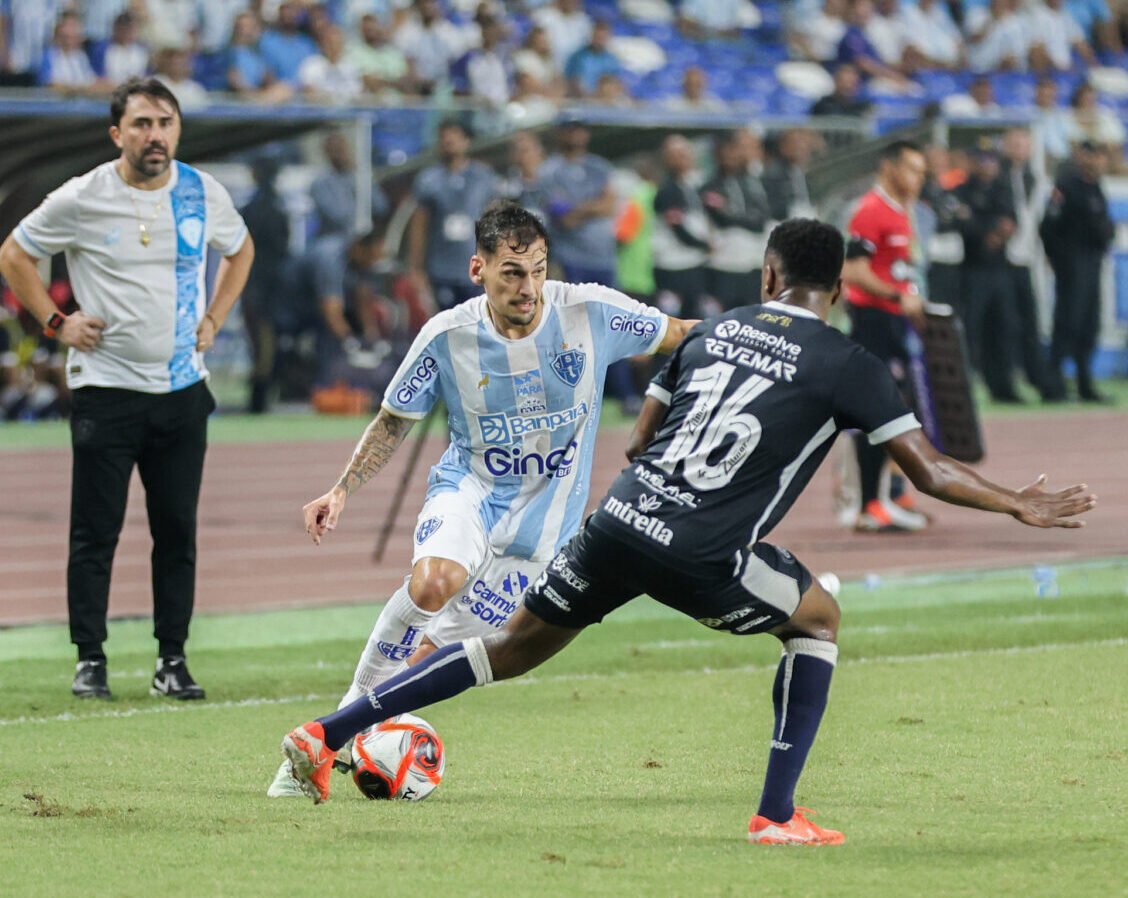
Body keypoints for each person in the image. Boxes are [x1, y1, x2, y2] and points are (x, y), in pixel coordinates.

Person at [280, 219, 1095, 846]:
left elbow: (640, 441)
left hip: (616, 521)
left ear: (767, 273)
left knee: (507, 649)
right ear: (836, 290)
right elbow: (928, 472)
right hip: (702, 551)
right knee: (818, 619)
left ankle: (328, 731)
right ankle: (776, 816)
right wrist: (1014, 503)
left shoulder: (716, 328)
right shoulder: (849, 364)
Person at [267, 201, 695, 797]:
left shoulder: (591, 312)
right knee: (433, 582)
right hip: (470, 492)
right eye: (512, 273)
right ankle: (325, 737)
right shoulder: (447, 335)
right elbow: (394, 420)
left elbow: (681, 335)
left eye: (538, 270)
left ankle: (334, 741)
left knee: (429, 665)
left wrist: (760, 335)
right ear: (479, 269)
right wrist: (341, 490)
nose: (529, 287)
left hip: (543, 538)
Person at [0, 77, 254, 700]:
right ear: (118, 134)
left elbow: (242, 249)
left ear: (177, 130)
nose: (155, 135)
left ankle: (173, 660)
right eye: (141, 124)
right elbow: (13, 254)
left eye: (165, 122)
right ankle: (90, 658)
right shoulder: (84, 196)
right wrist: (58, 323)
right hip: (106, 390)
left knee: (177, 531)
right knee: (96, 531)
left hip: (181, 391)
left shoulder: (201, 191)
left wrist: (216, 318)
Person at [840, 139, 930, 533]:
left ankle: (891, 493)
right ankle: (865, 504)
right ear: (890, 167)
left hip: (894, 321)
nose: (919, 178)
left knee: (902, 409)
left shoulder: (903, 212)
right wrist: (898, 296)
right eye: (912, 169)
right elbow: (853, 272)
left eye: (922, 171)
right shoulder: (869, 211)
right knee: (874, 411)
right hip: (872, 320)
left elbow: (898, 268)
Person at [1039, 139, 1115, 401]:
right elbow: (1048, 226)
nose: (1094, 161)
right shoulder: (1066, 186)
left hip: (1093, 264)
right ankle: (1052, 384)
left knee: (1088, 324)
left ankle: (1084, 383)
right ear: (1080, 156)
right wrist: (1058, 259)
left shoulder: (1095, 186)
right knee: (1067, 323)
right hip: (1072, 264)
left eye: (1099, 156)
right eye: (1090, 155)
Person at [407, 118, 498, 311]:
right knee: (446, 324)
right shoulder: (428, 179)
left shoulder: (483, 177)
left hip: (476, 265)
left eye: (454, 138)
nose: (449, 143)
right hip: (441, 267)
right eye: (444, 139)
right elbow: (419, 225)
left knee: (480, 325)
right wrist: (416, 267)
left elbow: (494, 219)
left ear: (466, 141)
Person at [955, 147, 1021, 402]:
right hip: (973, 270)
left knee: (1004, 327)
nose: (988, 166)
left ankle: (1003, 386)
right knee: (972, 329)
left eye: (992, 161)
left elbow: (1011, 222)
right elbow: (963, 222)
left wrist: (994, 231)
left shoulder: (1002, 188)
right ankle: (968, 386)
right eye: (983, 161)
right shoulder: (965, 189)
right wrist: (992, 231)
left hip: (1000, 270)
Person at [701, 130, 772, 310]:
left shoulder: (751, 183)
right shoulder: (710, 185)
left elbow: (761, 220)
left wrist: (732, 213)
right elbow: (721, 220)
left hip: (752, 261)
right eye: (723, 152)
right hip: (725, 262)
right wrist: (743, 216)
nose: (728, 156)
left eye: (732, 150)